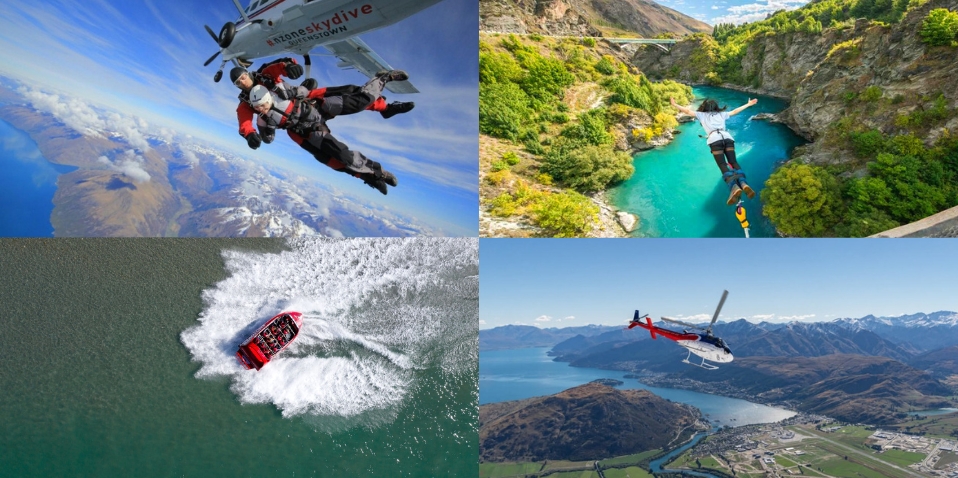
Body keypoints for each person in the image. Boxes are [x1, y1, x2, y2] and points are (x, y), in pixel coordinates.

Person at [248, 73, 402, 194]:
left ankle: (383, 78)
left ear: (268, 97)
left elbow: (304, 89)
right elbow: (268, 139)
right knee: (338, 157)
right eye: (256, 107)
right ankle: (373, 174)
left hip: (318, 108)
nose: (260, 109)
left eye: (261, 105)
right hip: (309, 129)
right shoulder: (264, 119)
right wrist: (265, 132)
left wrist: (297, 89)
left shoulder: (279, 91)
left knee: (358, 102)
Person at [232, 60, 414, 150]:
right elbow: (244, 122)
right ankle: (384, 98)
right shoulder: (246, 102)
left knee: (351, 91)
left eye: (243, 77)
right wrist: (249, 135)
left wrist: (289, 67)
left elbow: (278, 66)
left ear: (248, 73)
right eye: (238, 83)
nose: (243, 82)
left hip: (307, 98)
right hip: (300, 117)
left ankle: (386, 108)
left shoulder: (265, 75)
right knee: (350, 100)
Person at [671, 97, 758, 205]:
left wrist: (675, 105)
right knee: (733, 162)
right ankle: (743, 183)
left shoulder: (701, 115)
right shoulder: (721, 114)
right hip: (727, 138)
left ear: (704, 107)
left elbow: (688, 111)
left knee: (722, 164)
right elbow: (735, 111)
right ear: (716, 107)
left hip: (714, 140)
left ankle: (734, 187)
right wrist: (748, 104)